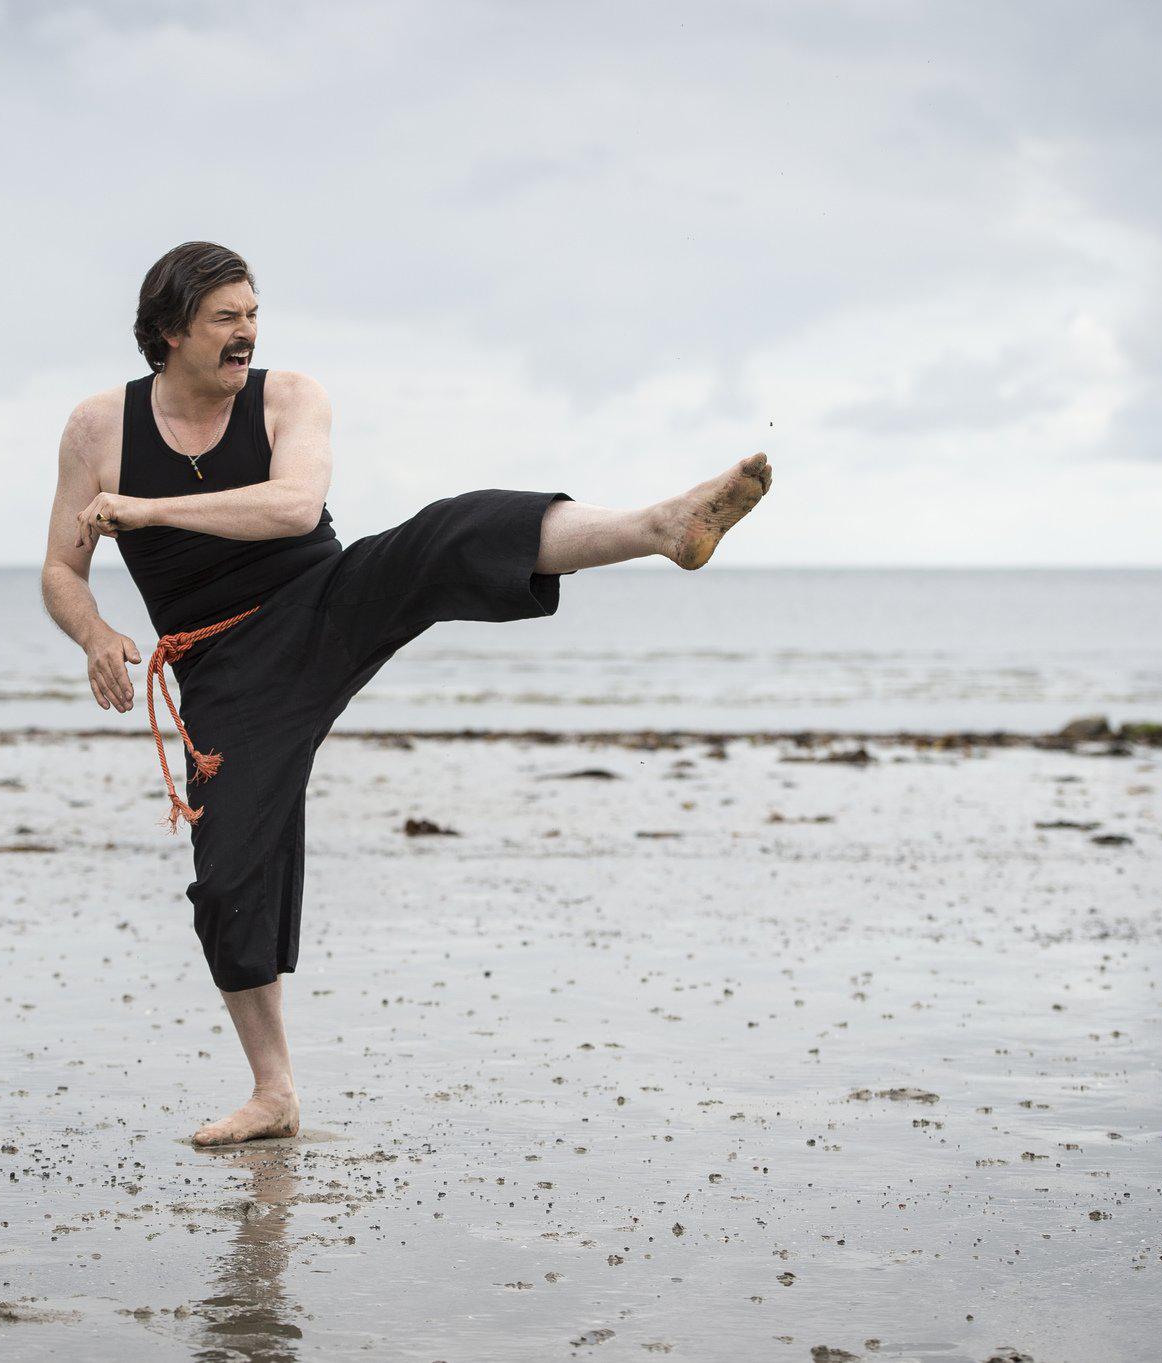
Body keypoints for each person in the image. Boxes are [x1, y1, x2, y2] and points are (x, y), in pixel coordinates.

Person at [39, 242, 772, 1147]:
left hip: (323, 602)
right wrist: (96, 634)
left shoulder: (290, 396)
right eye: (227, 317)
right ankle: (275, 1093)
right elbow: (60, 569)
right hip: (223, 668)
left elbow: (295, 509)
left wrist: (148, 511)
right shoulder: (97, 430)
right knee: (229, 874)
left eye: (253, 314)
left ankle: (660, 526)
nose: (248, 334)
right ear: (168, 330)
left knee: (447, 534)